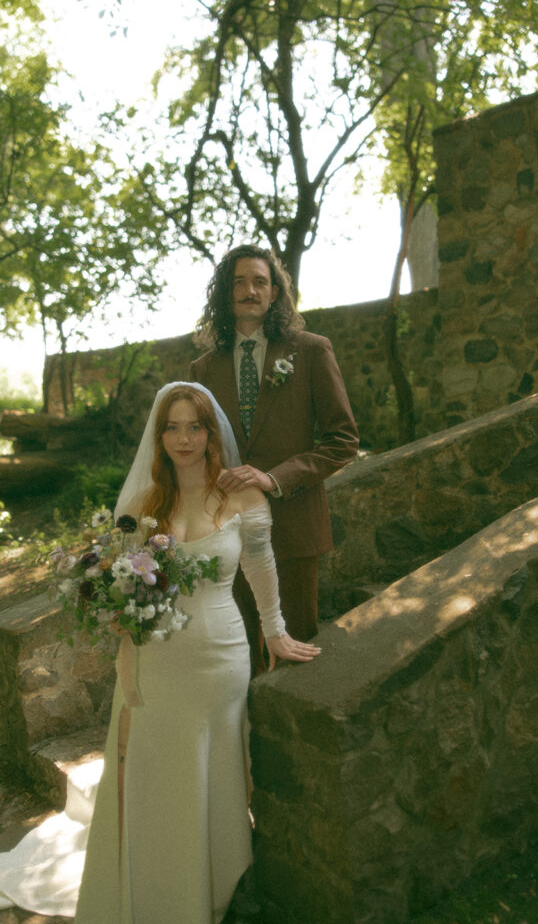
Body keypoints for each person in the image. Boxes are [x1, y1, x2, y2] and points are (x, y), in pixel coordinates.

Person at [74, 382, 320, 924]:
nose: (183, 438)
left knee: (211, 775)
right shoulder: (142, 505)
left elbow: (260, 567)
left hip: (218, 655)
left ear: (212, 434)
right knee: (156, 775)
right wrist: (113, 607)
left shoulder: (242, 497)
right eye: (172, 427)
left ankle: (208, 889)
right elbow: (120, 578)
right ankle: (153, 888)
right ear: (158, 436)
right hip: (155, 659)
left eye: (195, 426)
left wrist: (275, 630)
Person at [190, 245, 358, 673]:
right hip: (227, 534)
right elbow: (195, 448)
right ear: (224, 295)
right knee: (239, 660)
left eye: (260, 281)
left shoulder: (312, 350)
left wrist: (273, 477)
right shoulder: (203, 370)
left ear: (276, 292)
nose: (250, 290)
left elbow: (343, 440)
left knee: (298, 659)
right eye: (239, 282)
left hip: (294, 527)